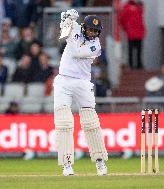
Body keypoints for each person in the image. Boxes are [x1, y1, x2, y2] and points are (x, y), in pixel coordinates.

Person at [54, 9, 108, 176]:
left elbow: (77, 51)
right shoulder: (75, 28)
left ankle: (100, 161)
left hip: (83, 83)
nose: (92, 33)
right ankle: (67, 164)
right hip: (63, 80)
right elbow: (62, 36)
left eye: (95, 31)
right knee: (64, 122)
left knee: (91, 123)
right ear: (84, 27)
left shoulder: (96, 46)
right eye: (90, 29)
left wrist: (69, 25)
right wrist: (66, 19)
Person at [120, 0, 146, 69]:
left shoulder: (138, 6)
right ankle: (131, 65)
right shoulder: (127, 7)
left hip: (139, 32)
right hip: (131, 32)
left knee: (139, 50)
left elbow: (141, 16)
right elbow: (122, 18)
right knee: (131, 50)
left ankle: (139, 64)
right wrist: (126, 28)